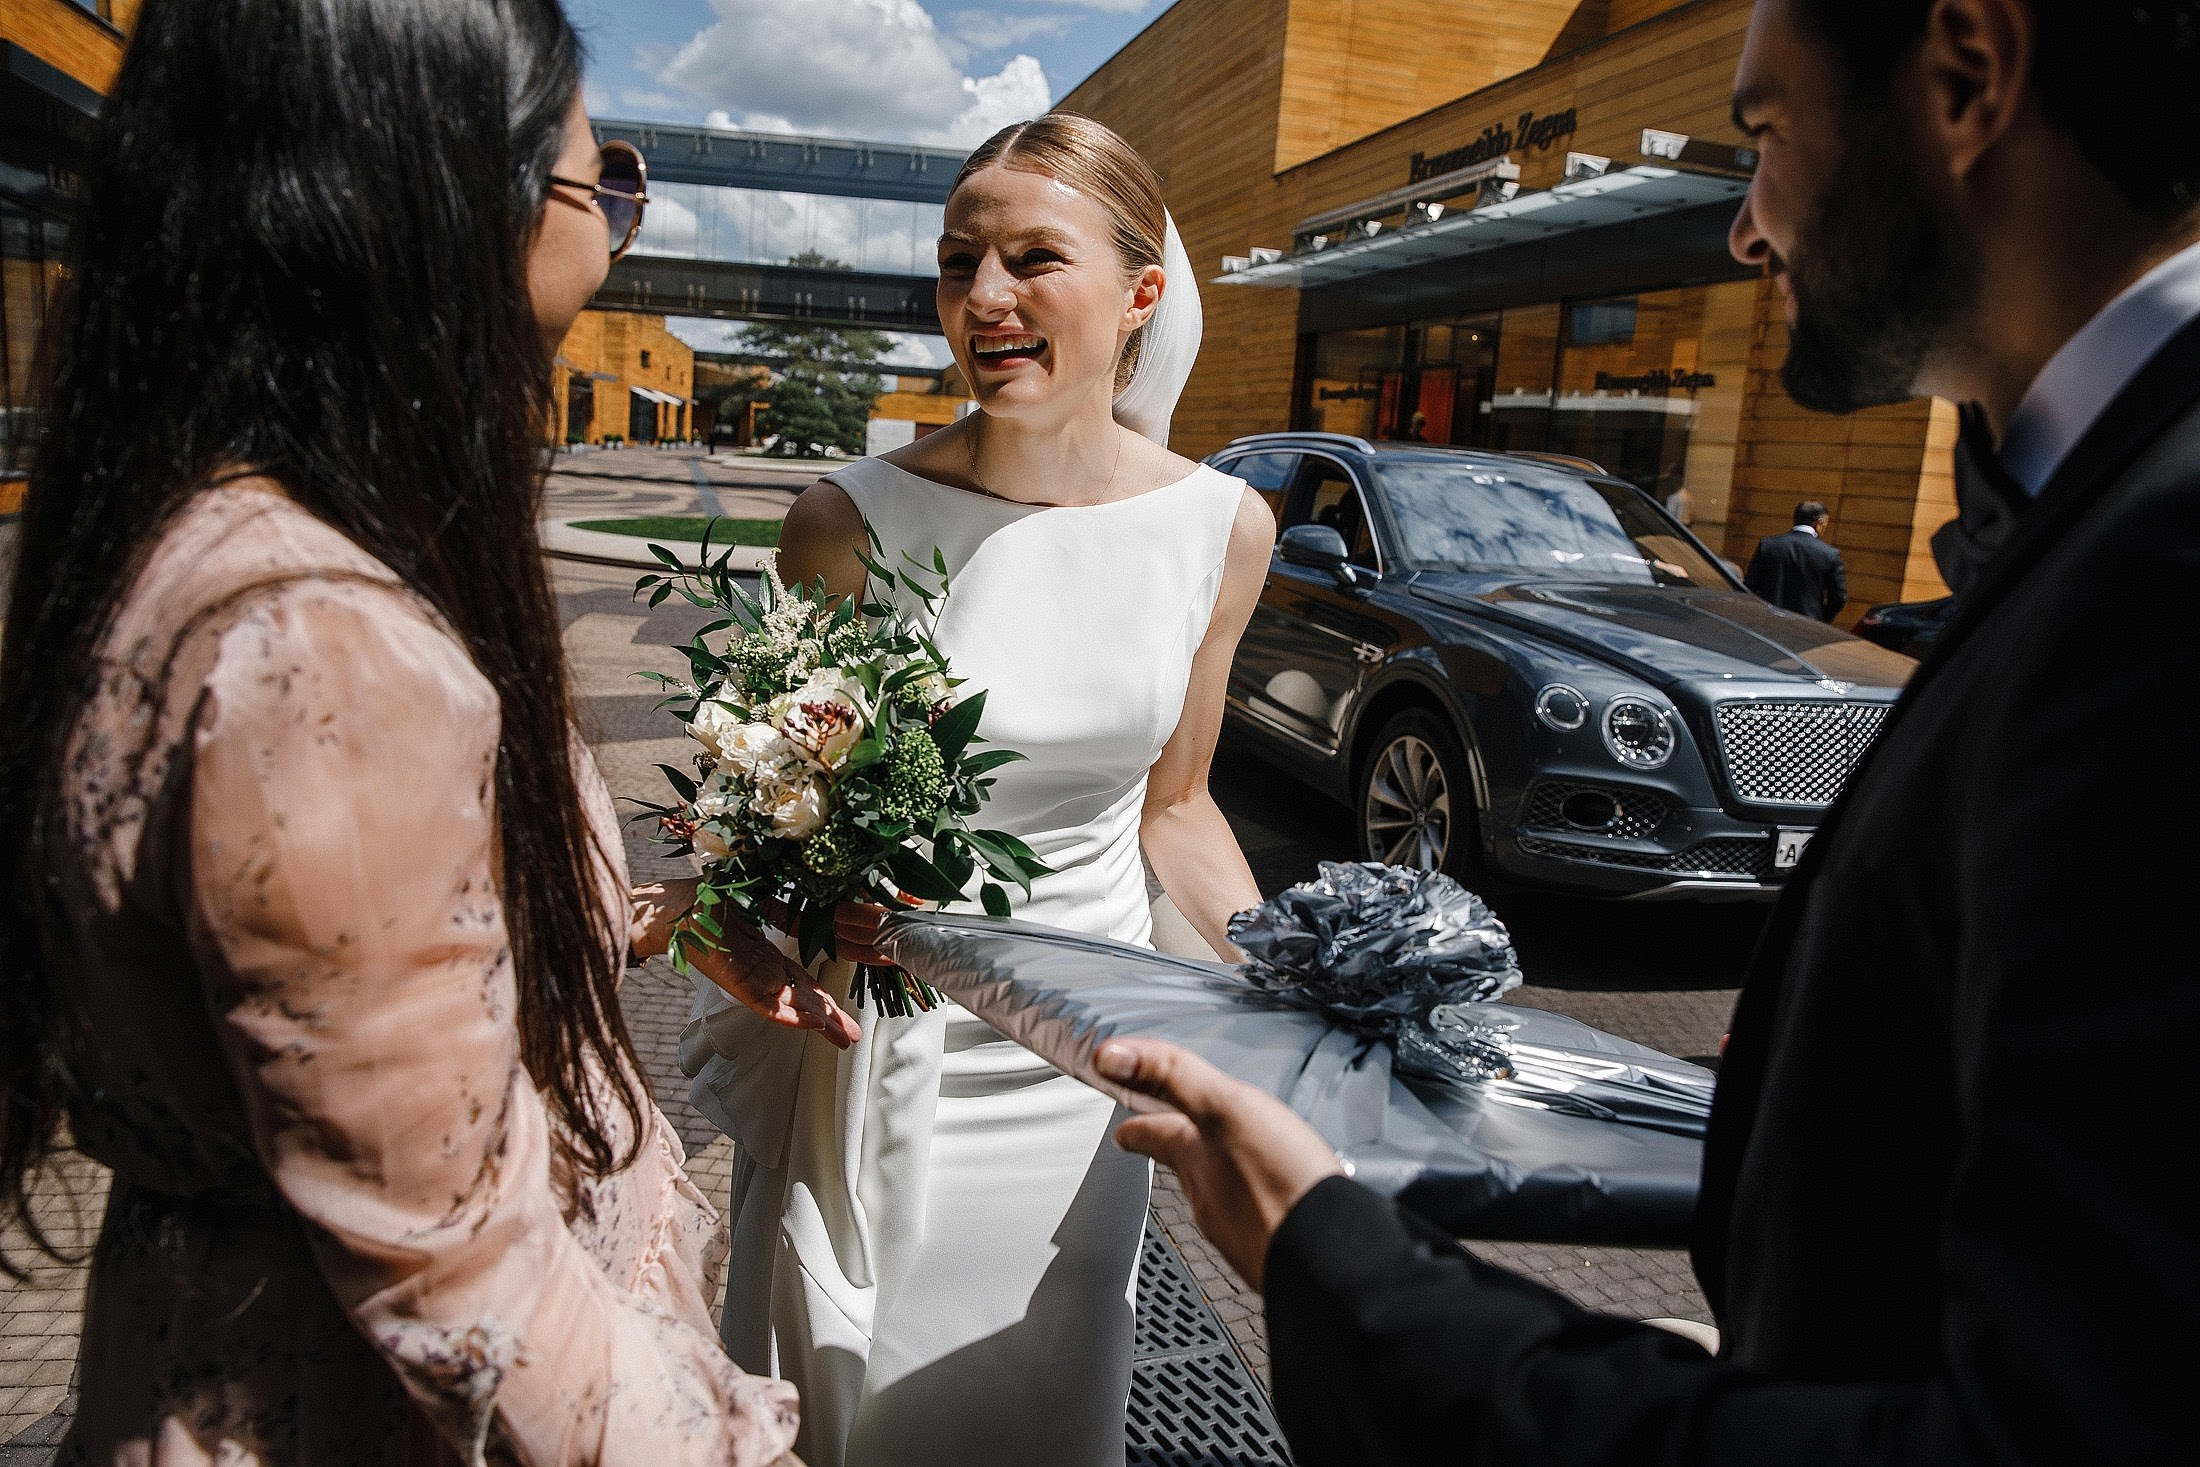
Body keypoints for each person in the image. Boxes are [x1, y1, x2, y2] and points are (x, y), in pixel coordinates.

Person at [1094, 1, 2200, 1462]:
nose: (1746, 229)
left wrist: (1344, 1266)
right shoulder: (2101, 515)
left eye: (1765, 137)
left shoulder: (2162, 573)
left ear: (1968, 75)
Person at [0, 0, 830, 1458]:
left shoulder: (218, 537)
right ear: (449, 198)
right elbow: (467, 1284)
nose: (619, 222)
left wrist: (676, 923)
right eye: (604, 184)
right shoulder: (324, 652)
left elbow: (374, 968)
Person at [684, 114, 1275, 1466]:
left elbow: (1174, 809)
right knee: (865, 1401)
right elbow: (749, 822)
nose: (984, 299)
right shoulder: (848, 519)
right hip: (889, 1042)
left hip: (1081, 1067)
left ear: (1140, 294)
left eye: (1029, 258)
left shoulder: (1220, 529)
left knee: (1047, 1402)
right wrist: (793, 903)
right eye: (960, 262)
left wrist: (1298, 989)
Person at [1743, 498, 1846, 618]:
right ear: (1820, 522)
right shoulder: (1830, 554)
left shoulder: (1768, 545)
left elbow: (1750, 585)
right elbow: (1838, 598)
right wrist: (1821, 619)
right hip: (1807, 623)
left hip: (1768, 619)